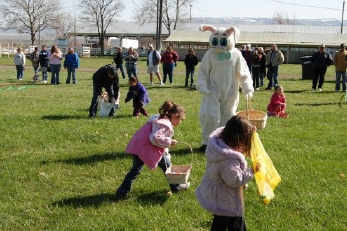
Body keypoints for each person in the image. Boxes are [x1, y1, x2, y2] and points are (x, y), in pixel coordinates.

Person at [195, 115, 260, 231]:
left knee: (222, 221)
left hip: (219, 195)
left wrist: (250, 130)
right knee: (233, 222)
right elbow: (235, 180)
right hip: (225, 199)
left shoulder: (220, 142)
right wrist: (251, 171)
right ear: (238, 139)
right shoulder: (229, 160)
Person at [197, 25, 254, 152]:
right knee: (210, 114)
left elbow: (244, 73)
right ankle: (207, 141)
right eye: (215, 41)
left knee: (228, 115)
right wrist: (202, 84)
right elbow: (203, 72)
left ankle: (224, 139)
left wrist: (247, 87)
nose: (218, 45)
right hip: (212, 90)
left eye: (222, 41)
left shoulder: (236, 55)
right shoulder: (209, 54)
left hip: (230, 90)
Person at [115, 101, 188, 199]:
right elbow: (154, 137)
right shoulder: (165, 124)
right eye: (181, 120)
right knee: (167, 165)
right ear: (175, 116)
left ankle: (121, 192)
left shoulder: (160, 118)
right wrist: (169, 141)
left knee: (135, 169)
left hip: (138, 145)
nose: (180, 122)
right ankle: (176, 186)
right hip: (146, 147)